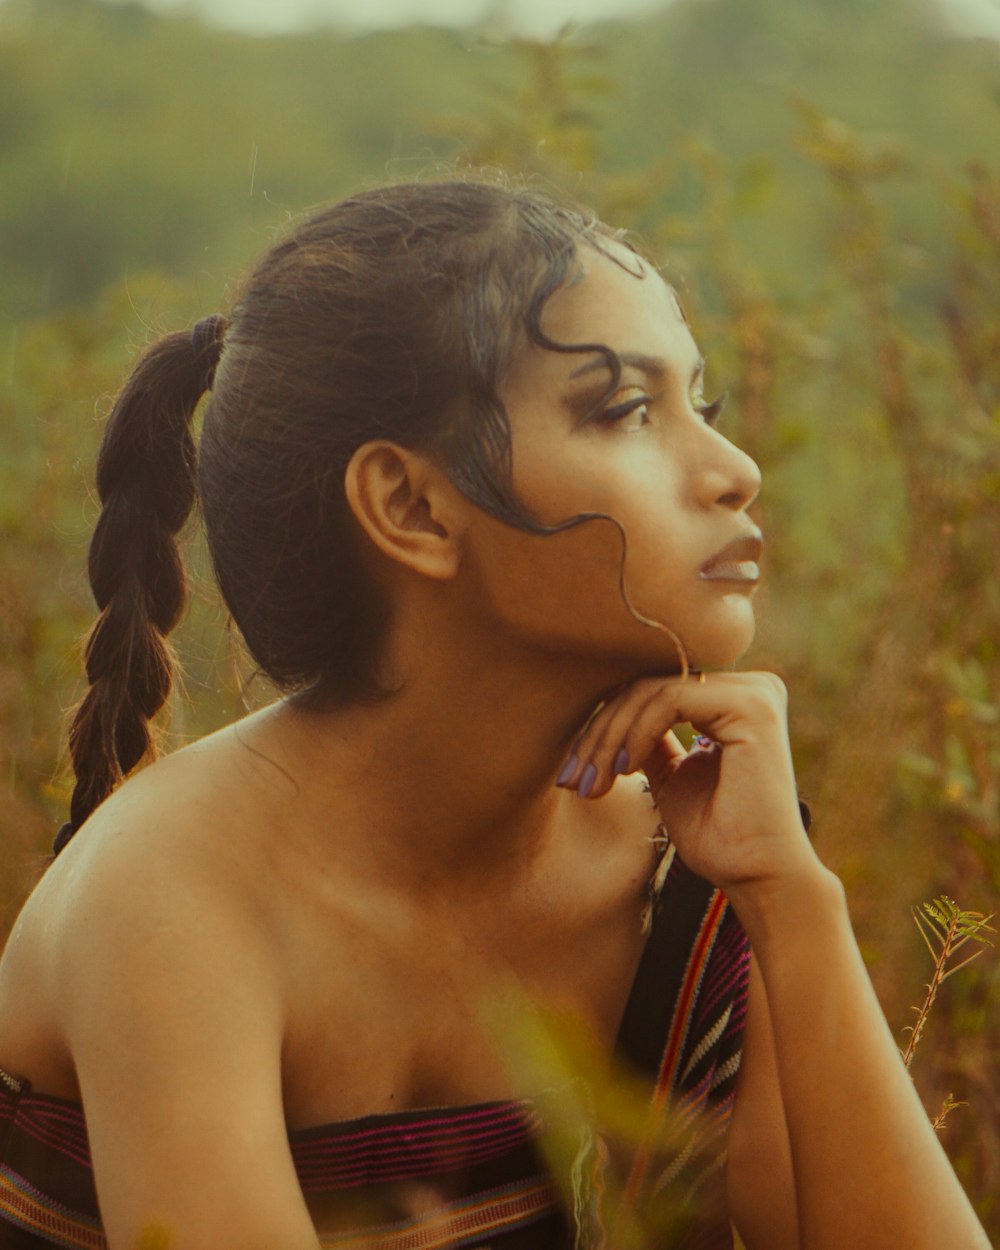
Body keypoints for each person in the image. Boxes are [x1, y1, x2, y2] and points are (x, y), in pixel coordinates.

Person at [0, 177, 988, 1250]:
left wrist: (790, 896)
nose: (734, 471)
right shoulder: (175, 892)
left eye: (701, 408)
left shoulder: (687, 855)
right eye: (623, 411)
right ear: (412, 506)